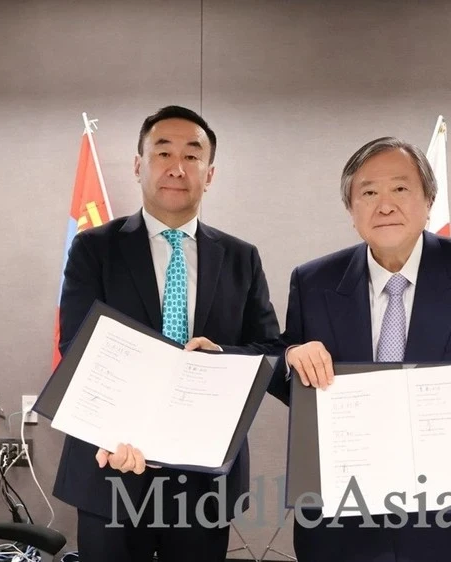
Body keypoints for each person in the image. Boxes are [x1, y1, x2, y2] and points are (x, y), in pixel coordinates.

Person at [272, 136, 451, 562]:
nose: (385, 206)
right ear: (351, 210)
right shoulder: (313, 281)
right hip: (344, 522)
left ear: (429, 201)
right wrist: (292, 357)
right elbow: (285, 367)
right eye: (369, 193)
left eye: (400, 189)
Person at [51, 105, 281, 562]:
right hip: (111, 463)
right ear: (139, 165)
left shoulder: (241, 257)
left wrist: (222, 358)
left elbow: (269, 350)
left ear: (209, 174)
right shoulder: (94, 248)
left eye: (192, 156)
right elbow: (77, 347)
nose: (177, 167)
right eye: (163, 152)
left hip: (202, 475)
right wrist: (116, 426)